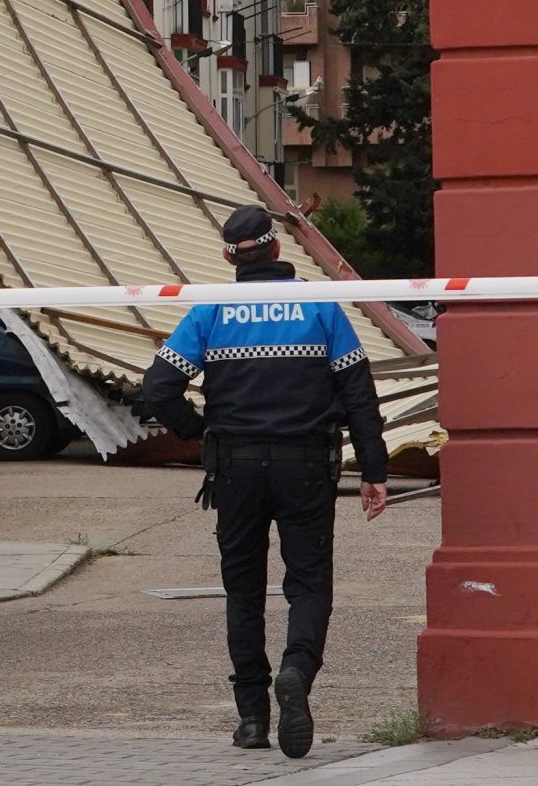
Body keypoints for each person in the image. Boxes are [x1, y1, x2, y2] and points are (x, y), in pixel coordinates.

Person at [137, 205, 391, 759]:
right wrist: (374, 470)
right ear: (278, 250)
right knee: (309, 584)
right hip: (306, 466)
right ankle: (297, 670)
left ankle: (252, 718)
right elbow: (358, 395)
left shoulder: (212, 311)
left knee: (243, 592)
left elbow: (156, 389)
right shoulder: (318, 306)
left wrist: (203, 432)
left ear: (231, 256)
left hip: (235, 468)